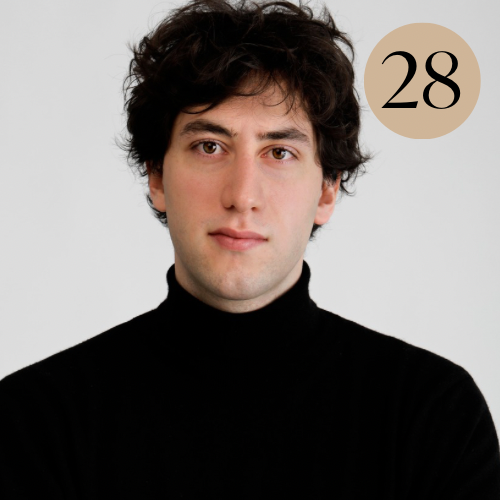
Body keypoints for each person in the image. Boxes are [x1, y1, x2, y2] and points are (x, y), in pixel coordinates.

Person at [1, 0, 499, 497]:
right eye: (209, 147)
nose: (242, 195)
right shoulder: (35, 420)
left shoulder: (433, 416)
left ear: (327, 189)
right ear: (156, 176)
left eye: (279, 152)